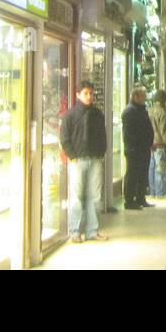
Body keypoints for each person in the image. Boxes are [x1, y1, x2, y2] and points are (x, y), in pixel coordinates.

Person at [60, 80, 108, 243]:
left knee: (94, 196)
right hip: (77, 161)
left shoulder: (98, 115)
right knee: (77, 197)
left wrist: (101, 153)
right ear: (78, 95)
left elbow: (103, 135)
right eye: (86, 93)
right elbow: (65, 138)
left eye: (91, 93)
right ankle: (75, 232)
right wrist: (72, 156)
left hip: (95, 159)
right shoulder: (70, 115)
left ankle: (92, 230)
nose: (89, 96)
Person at [121, 86, 153, 210]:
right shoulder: (130, 111)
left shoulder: (141, 110)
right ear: (136, 97)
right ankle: (129, 200)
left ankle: (140, 198)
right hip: (134, 149)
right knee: (132, 174)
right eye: (143, 96)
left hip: (143, 148)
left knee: (142, 174)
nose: (145, 99)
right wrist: (134, 146)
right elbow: (129, 133)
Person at [148, 88, 166, 199]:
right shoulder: (162, 112)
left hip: (150, 144)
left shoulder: (149, 110)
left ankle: (152, 191)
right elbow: (164, 131)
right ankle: (160, 192)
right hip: (159, 144)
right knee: (160, 168)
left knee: (151, 168)